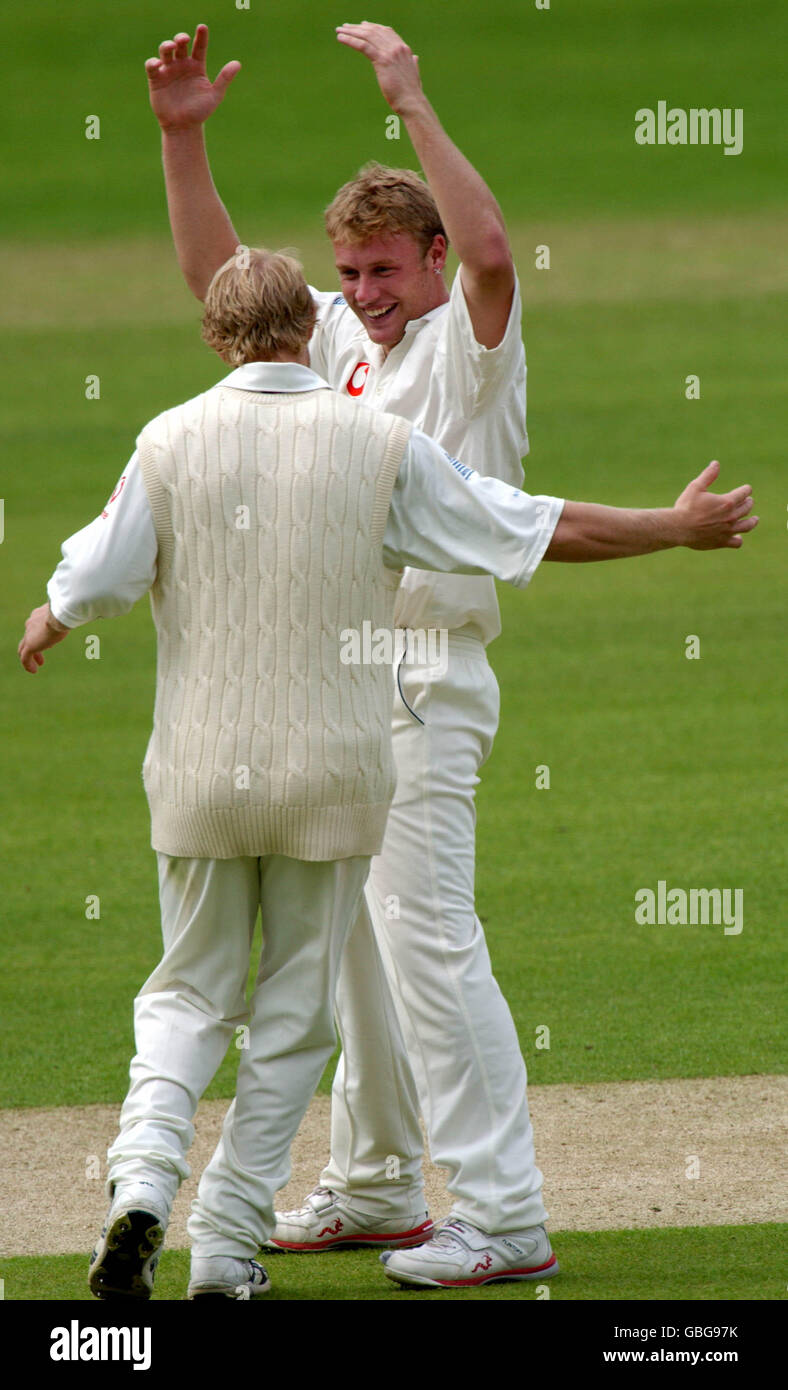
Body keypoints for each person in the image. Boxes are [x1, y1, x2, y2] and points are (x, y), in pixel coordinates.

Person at [141, 23, 761, 1290]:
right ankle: (374, 1183)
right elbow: (223, 285)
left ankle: (505, 1214)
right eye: (347, 272)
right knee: (349, 954)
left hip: (425, 683)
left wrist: (409, 98)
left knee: (425, 938)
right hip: (340, 694)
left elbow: (486, 250)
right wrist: (182, 136)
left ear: (426, 262)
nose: (362, 292)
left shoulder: (471, 352)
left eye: (381, 270)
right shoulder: (338, 345)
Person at [19, 247, 755, 1299]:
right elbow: (527, 528)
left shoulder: (166, 439)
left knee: (187, 995)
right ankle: (226, 1246)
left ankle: (141, 1177)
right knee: (297, 1015)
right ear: (308, 327)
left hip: (197, 778)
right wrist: (671, 530)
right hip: (334, 773)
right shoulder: (377, 442)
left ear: (216, 336)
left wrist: (52, 611)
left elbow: (91, 578)